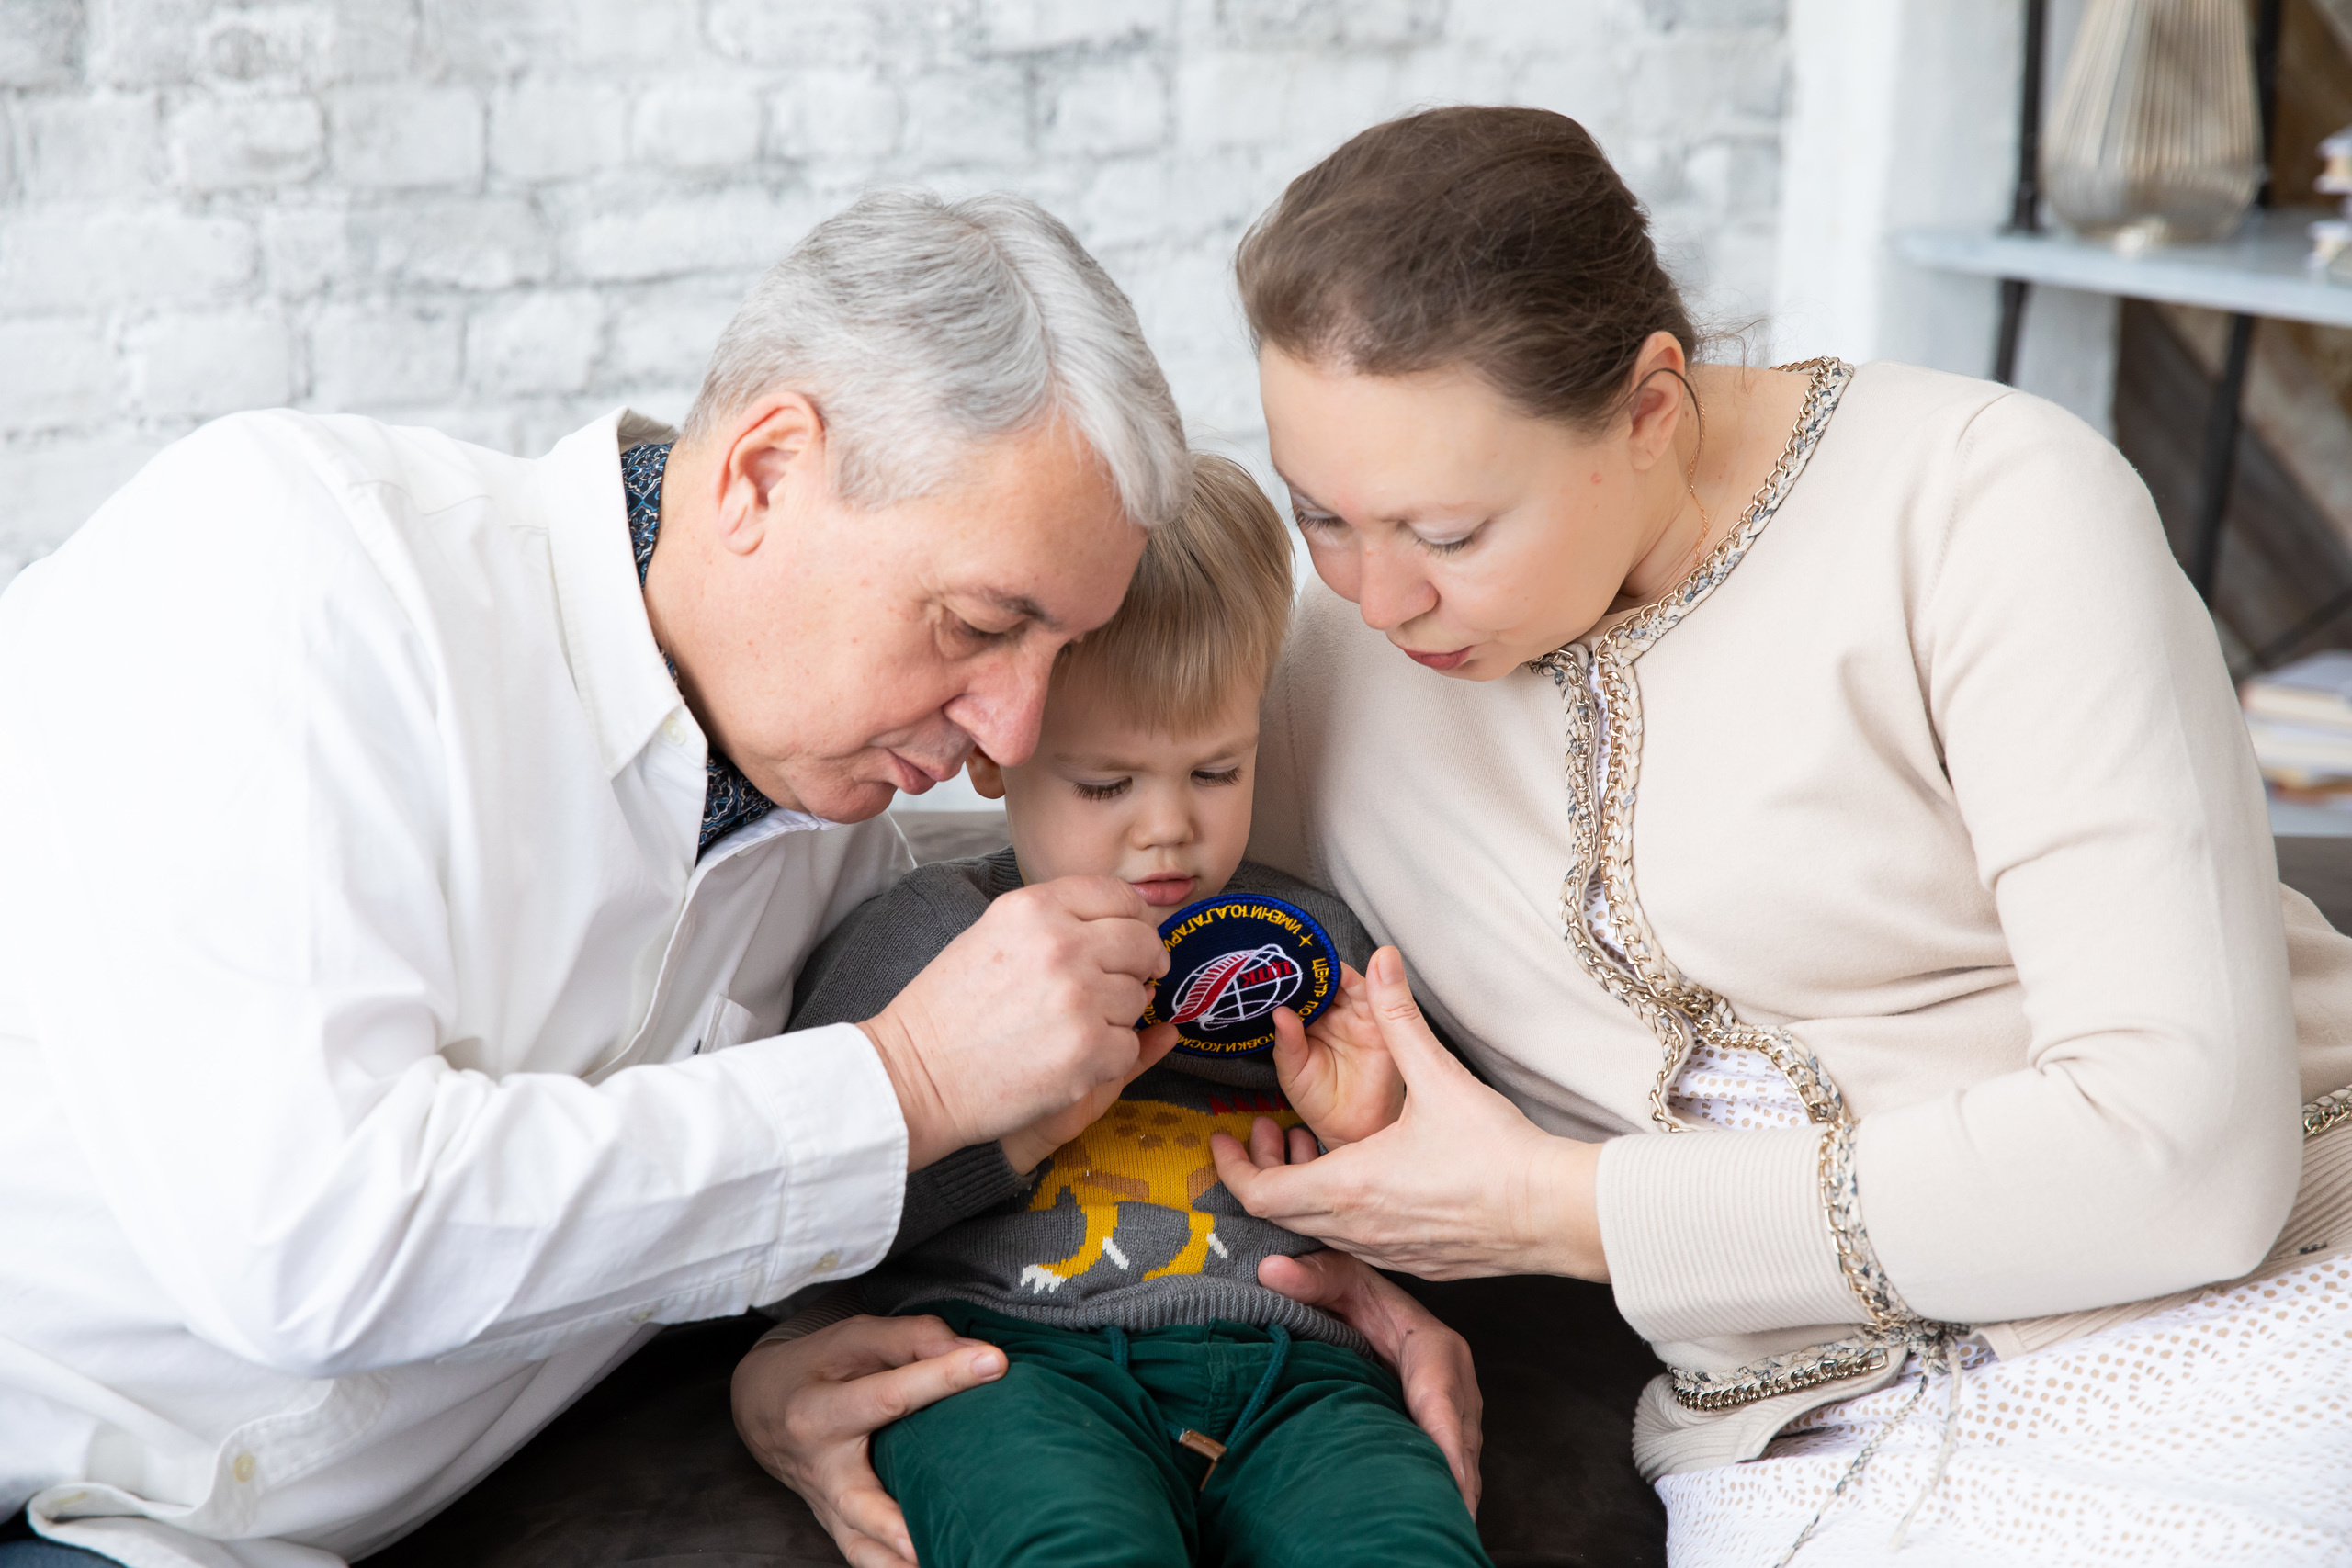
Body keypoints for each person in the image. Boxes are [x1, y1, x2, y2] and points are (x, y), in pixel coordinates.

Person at [1182, 106, 2352, 1564]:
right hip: (1796, 1456)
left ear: (1650, 406)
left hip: (2266, 1316)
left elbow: (2183, 1158)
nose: (1378, 596)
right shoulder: (1318, 681)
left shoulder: (1988, 508)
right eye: (1322, 516)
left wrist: (1566, 1208)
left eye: (1450, 533)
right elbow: (1088, 927)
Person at [0, 191, 1202, 1568]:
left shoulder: (849, 856)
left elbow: (693, 1225)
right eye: (980, 624)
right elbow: (310, 1241)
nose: (1015, 736)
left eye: (1061, 653)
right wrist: (904, 1085)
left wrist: (774, 1362)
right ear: (762, 473)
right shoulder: (299, 565)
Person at [743, 455, 1489, 1568]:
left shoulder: (1312, 942)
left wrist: (1366, 1135)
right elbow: (802, 1226)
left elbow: (1447, 1201)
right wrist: (1001, 1138)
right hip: (1008, 1364)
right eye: (1106, 785)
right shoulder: (926, 937)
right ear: (993, 754)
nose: (1167, 829)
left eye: (1216, 771)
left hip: (1298, 1370)